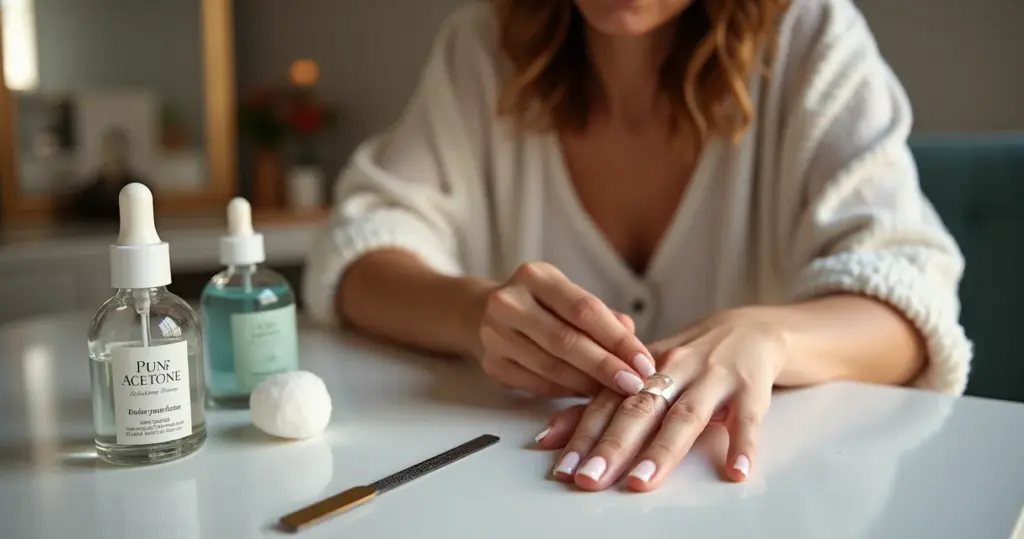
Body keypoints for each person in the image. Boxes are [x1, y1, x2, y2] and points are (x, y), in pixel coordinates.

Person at [303, 0, 971, 493]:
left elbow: (912, 298)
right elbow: (358, 255)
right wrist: (472, 313)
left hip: (764, 502)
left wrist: (773, 336)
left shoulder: (811, 36)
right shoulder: (484, 44)